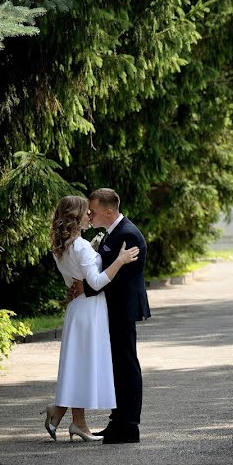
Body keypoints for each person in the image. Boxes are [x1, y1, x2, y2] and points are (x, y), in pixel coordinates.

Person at [42, 195, 140, 442]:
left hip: (77, 308)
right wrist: (119, 260)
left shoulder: (62, 246)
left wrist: (83, 283)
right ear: (77, 216)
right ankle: (73, 420)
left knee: (78, 364)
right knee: (83, 366)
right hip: (90, 310)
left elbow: (76, 280)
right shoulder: (81, 246)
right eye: (86, 212)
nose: (90, 216)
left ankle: (68, 416)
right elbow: (95, 281)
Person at [73, 188, 151, 444]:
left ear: (108, 211)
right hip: (113, 308)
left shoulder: (127, 234)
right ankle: (117, 420)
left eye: (93, 211)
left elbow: (117, 278)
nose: (89, 214)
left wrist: (87, 286)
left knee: (126, 365)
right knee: (117, 365)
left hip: (122, 308)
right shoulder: (114, 232)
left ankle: (129, 426)